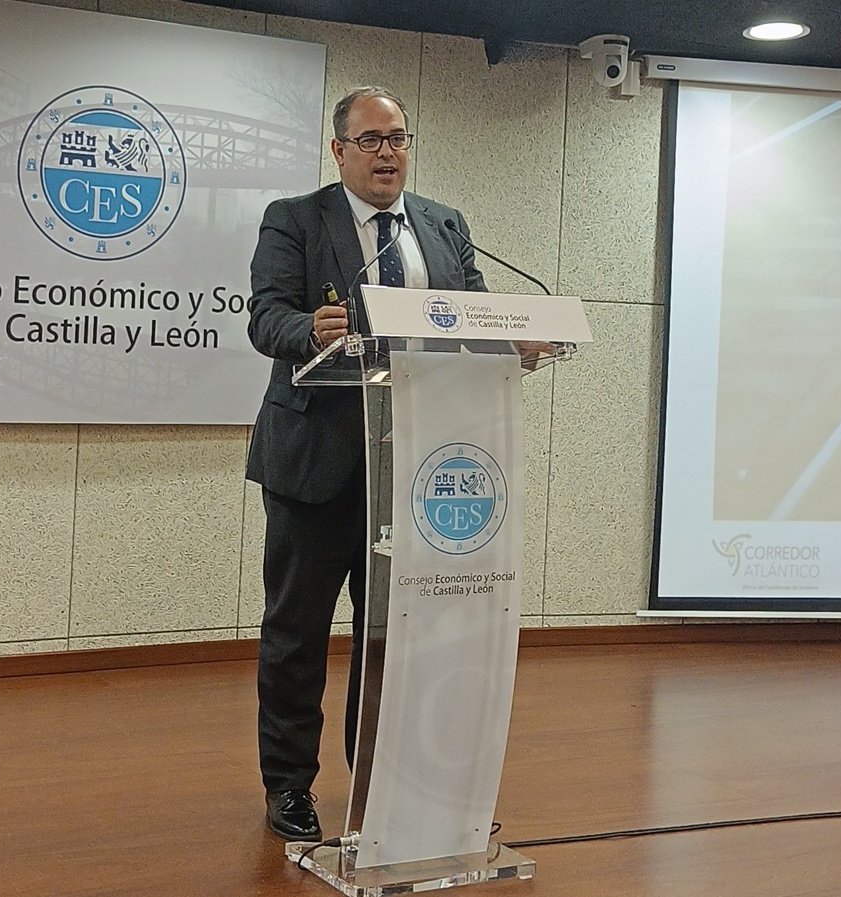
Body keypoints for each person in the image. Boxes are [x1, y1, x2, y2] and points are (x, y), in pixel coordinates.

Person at [244, 86, 488, 841]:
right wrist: (308, 329)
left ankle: (382, 782)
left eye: (399, 138)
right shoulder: (295, 218)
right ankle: (290, 785)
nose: (389, 152)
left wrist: (512, 345)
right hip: (316, 462)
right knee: (298, 634)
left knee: (396, 634)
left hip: (412, 463)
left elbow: (476, 315)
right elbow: (266, 316)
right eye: (372, 139)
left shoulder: (442, 225)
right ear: (339, 151)